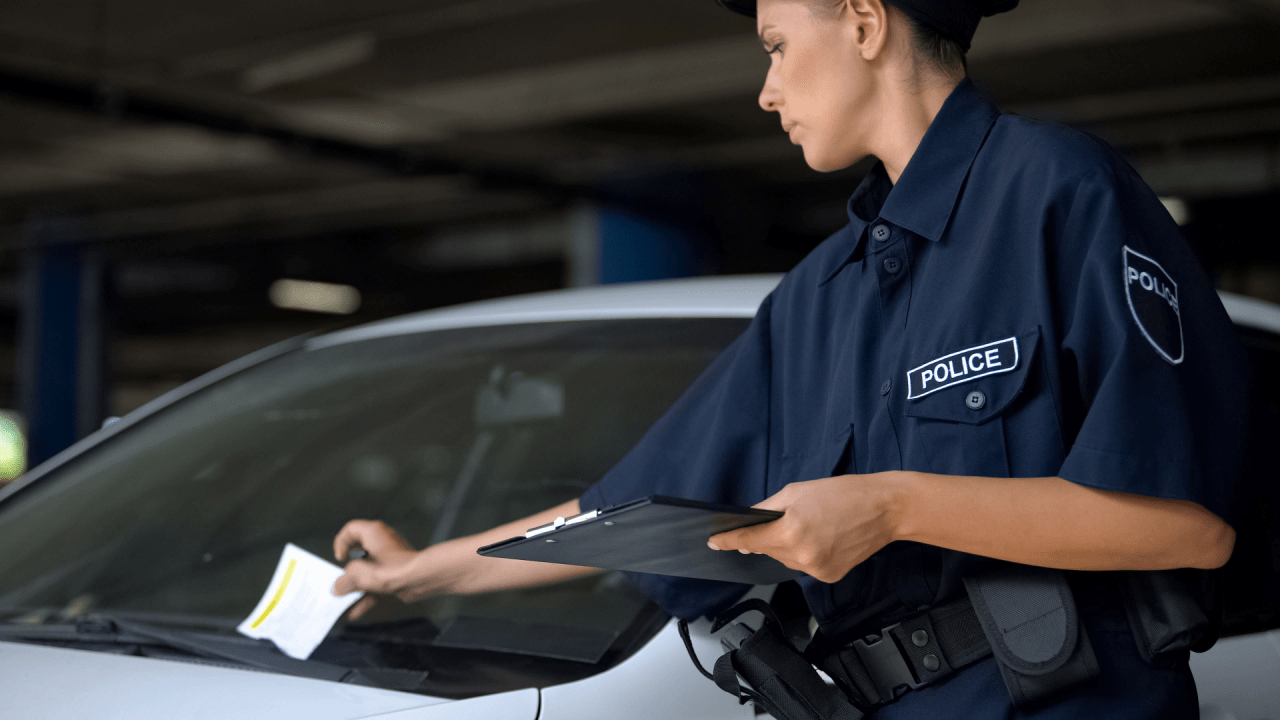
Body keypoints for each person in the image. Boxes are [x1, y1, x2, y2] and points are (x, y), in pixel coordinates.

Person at [332, 0, 1250, 716]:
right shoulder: (820, 290)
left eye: (774, 45)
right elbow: (629, 508)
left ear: (863, 22)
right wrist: (424, 571)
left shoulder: (1058, 190)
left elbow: (1188, 526)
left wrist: (890, 507)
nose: (765, 90)